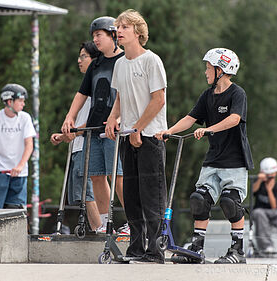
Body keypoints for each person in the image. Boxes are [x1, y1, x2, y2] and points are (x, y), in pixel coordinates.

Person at [156, 48, 254, 264]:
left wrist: (210, 129)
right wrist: (169, 131)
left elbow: (234, 119)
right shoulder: (207, 96)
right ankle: (196, 249)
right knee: (199, 200)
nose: (205, 72)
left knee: (230, 202)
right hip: (213, 160)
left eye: (208, 68)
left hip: (235, 161)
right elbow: (190, 118)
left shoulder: (237, 93)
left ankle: (238, 251)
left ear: (221, 70)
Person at [105, 9, 167, 263]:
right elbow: (120, 98)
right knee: (131, 195)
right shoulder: (120, 63)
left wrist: (138, 128)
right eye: (118, 27)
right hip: (128, 136)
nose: (118, 31)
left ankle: (155, 250)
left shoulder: (152, 61)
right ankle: (136, 249)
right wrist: (112, 118)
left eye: (125, 27)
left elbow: (158, 99)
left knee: (151, 195)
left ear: (138, 32)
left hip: (150, 136)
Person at [61, 16, 126, 233]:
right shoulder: (96, 65)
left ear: (113, 35)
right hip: (95, 129)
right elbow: (82, 93)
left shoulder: (125, 60)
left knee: (117, 177)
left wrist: (117, 118)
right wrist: (70, 116)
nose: (95, 40)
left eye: (99, 35)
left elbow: (131, 96)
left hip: (115, 130)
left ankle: (134, 222)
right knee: (97, 176)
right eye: (94, 36)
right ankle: (106, 224)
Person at [50, 41, 103, 233]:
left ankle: (100, 227)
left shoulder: (98, 88)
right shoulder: (86, 90)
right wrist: (64, 136)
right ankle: (96, 226)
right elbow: (77, 127)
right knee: (81, 192)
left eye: (83, 57)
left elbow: (90, 124)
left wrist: (70, 133)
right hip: (78, 145)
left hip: (88, 145)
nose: (79, 61)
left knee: (86, 190)